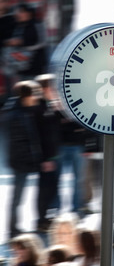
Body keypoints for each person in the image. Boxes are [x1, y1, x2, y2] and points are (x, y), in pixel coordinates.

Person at [6, 80, 45, 237]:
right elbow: (20, 144)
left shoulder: (23, 111)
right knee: (17, 198)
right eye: (35, 94)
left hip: (23, 163)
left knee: (18, 198)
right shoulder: (17, 115)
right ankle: (13, 229)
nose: (36, 98)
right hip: (20, 164)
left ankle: (15, 228)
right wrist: (30, 161)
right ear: (27, 96)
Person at [34, 74, 61, 232]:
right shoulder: (40, 108)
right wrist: (45, 159)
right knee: (45, 189)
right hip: (46, 157)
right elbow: (40, 135)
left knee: (51, 188)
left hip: (52, 154)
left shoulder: (48, 106)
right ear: (44, 89)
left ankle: (45, 218)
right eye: (51, 87)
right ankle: (41, 220)